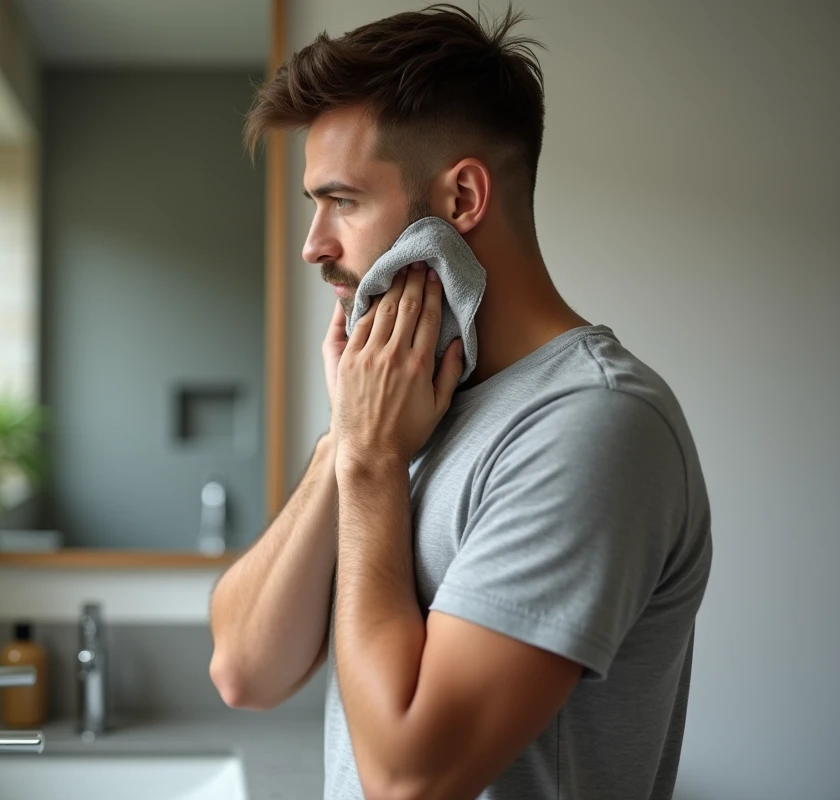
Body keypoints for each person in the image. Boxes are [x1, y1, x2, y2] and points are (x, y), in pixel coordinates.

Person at [208, 5, 713, 799]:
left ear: (462, 198)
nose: (315, 244)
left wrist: (373, 464)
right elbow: (243, 669)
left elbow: (413, 777)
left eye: (341, 200)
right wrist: (347, 438)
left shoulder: (595, 424)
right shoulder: (399, 409)